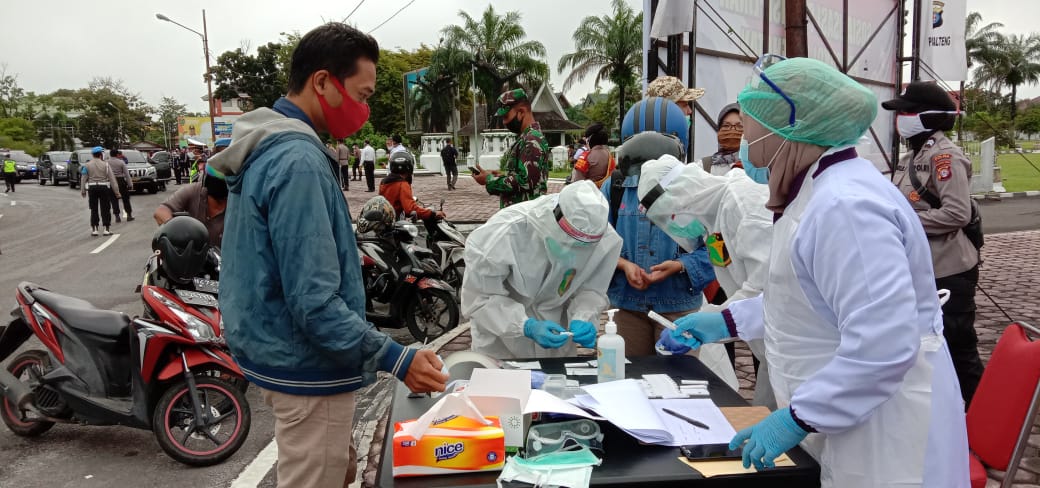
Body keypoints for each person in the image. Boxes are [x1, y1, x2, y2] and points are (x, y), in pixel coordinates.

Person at [666, 56, 968, 485]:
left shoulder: (846, 208)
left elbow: (884, 342)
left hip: (884, 435)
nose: (744, 137)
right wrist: (725, 321)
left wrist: (797, 417)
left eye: (750, 121)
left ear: (788, 126)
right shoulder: (818, 192)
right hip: (846, 419)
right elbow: (804, 300)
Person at [206, 23, 448, 488]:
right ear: (322, 82)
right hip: (307, 368)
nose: (366, 108)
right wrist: (397, 360)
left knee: (341, 469)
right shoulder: (297, 160)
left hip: (282, 356)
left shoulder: (269, 147)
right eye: (362, 93)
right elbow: (314, 303)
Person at [638, 155, 776, 408]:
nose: (672, 226)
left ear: (682, 194)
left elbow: (773, 294)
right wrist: (714, 319)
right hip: (773, 353)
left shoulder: (743, 204)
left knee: (810, 443)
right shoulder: (714, 222)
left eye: (669, 216)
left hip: (803, 356)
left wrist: (716, 321)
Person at [883, 81, 984, 406]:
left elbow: (957, 213)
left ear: (929, 118)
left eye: (907, 112)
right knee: (930, 348)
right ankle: (947, 416)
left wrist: (904, 224)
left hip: (950, 269)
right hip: (924, 266)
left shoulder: (945, 157)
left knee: (958, 347)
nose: (901, 118)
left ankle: (986, 422)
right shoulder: (912, 155)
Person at [600, 98, 718, 362]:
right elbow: (596, 242)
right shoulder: (615, 187)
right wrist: (623, 265)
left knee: (677, 385)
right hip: (627, 307)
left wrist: (681, 265)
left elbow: (719, 249)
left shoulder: (697, 185)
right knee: (628, 382)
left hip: (679, 309)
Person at [462, 180, 623, 359]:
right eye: (567, 243)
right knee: (503, 386)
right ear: (553, 220)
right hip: (500, 343)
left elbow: (592, 289)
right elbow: (479, 298)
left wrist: (583, 316)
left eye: (581, 248)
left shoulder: (604, 239)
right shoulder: (504, 233)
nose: (571, 253)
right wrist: (525, 326)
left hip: (556, 345)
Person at [473, 88, 550, 208]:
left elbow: (526, 181)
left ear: (521, 112)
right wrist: (500, 176)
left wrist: (489, 180)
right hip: (520, 213)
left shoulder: (531, 140)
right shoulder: (526, 138)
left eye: (506, 116)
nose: (504, 122)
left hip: (525, 216)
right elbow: (524, 175)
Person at [154, 164, 228, 249]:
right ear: (205, 180)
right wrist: (176, 230)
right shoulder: (194, 190)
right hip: (193, 253)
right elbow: (161, 211)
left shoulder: (238, 200)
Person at [379, 150, 444, 233]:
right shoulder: (402, 184)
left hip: (384, 222)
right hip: (395, 225)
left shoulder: (384, 182)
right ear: (409, 167)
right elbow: (410, 209)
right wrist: (433, 213)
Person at [81, 146, 120, 237]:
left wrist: (83, 190)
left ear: (93, 155)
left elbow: (83, 178)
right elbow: (112, 179)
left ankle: (95, 229)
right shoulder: (106, 165)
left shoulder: (87, 165)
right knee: (105, 208)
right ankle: (106, 229)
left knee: (93, 208)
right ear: (101, 154)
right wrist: (117, 191)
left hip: (92, 188)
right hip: (104, 187)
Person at [700, 103, 744, 175]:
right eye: (726, 125)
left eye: (739, 126)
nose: (732, 130)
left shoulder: (756, 169)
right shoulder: (704, 167)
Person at [569, 122, 614, 188]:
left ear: (589, 139)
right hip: (606, 195)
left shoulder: (585, 156)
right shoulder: (610, 156)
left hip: (590, 195)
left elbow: (577, 183)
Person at [107, 149, 134, 222]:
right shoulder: (121, 162)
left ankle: (117, 216)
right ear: (117, 154)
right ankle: (129, 215)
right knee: (125, 198)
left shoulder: (106, 163)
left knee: (113, 199)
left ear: (110, 154)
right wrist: (130, 184)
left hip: (111, 181)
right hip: (121, 180)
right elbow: (127, 174)